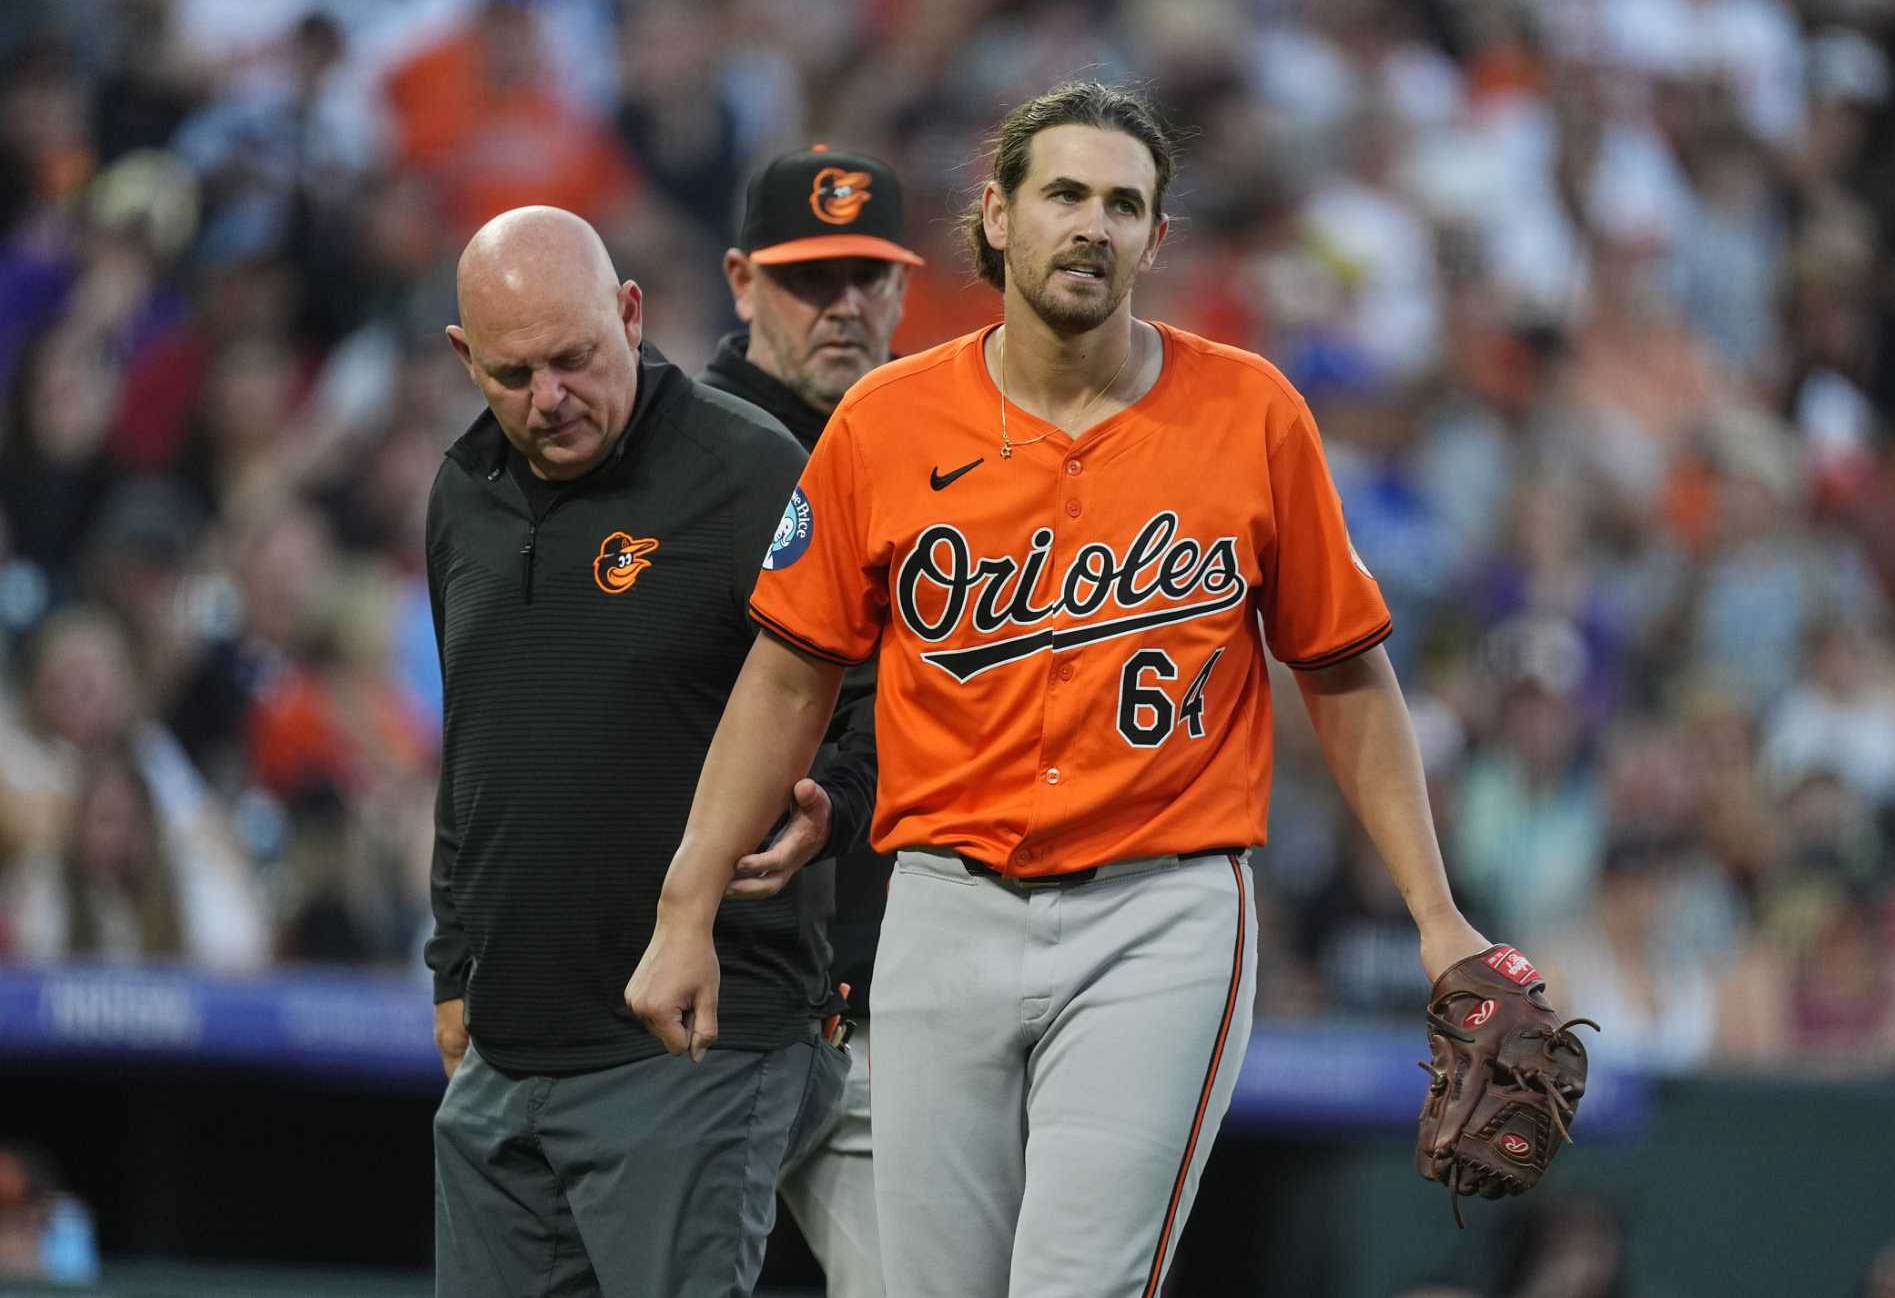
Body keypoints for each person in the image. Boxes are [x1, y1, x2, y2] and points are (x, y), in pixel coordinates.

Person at [627, 81, 1494, 1297]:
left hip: (1162, 910)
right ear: (997, 213)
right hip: (939, 905)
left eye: (1123, 204)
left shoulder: (1250, 413)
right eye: (1065, 194)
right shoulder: (885, 418)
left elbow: (1342, 671)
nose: (1092, 224)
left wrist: (1434, 912)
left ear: (1156, 239)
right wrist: (684, 909)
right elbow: (785, 679)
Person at [426, 205, 873, 1297]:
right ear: (463, 358)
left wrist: (833, 807)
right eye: (511, 372)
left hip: (694, 1043)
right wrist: (452, 963)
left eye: (573, 359)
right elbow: (474, 740)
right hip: (505, 1047)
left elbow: (873, 698)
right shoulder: (460, 491)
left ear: (630, 314)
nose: (548, 399)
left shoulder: (748, 471)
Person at [698, 145, 922, 1298]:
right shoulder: (682, 458)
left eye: (866, 278)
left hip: (879, 990)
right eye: (808, 278)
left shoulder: (933, 452)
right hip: (712, 988)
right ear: (741, 281)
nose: (843, 307)